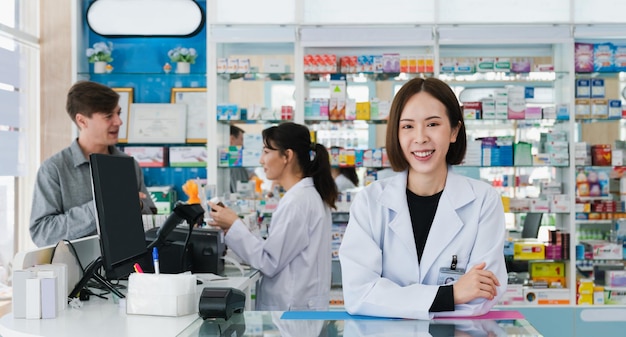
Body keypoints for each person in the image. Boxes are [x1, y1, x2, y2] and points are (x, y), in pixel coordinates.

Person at [338, 77, 507, 319]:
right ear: (396, 133)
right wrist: (451, 294)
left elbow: (482, 297)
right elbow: (358, 294)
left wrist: (392, 300)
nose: (420, 138)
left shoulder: (483, 201)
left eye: (433, 124)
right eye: (407, 126)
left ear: (454, 131)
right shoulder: (370, 202)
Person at [209, 122, 338, 310]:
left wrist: (235, 224)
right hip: (299, 308)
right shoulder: (304, 196)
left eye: (266, 152)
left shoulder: (298, 202)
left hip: (292, 311)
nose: (261, 160)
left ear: (287, 156)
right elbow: (277, 251)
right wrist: (233, 227)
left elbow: (268, 262)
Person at [30, 81, 156, 247]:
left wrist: (137, 204)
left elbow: (151, 216)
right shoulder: (53, 169)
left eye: (119, 113)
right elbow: (42, 234)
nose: (119, 122)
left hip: (131, 268)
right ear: (82, 121)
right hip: (77, 271)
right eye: (108, 116)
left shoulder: (129, 165)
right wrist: (102, 206)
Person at [229, 124, 254, 193]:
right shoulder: (235, 163)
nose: (243, 144)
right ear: (232, 139)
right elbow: (241, 194)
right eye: (242, 139)